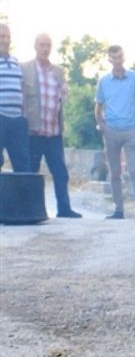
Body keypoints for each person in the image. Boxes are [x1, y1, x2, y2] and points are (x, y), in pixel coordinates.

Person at [21, 33, 80, 218]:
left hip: (54, 132)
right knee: (31, 173)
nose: (45, 48)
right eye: (42, 45)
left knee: (60, 173)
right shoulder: (25, 69)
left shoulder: (58, 72)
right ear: (35, 46)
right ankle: (29, 210)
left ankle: (64, 209)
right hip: (33, 132)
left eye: (48, 45)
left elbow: (63, 97)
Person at [95, 45, 135, 220]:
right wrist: (102, 126)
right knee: (114, 172)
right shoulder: (104, 81)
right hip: (111, 130)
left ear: (124, 57)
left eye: (120, 57)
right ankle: (119, 210)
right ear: (109, 60)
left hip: (131, 130)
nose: (117, 60)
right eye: (114, 58)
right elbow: (98, 107)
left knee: (134, 170)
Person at [0, 23, 32, 173]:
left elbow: (22, 87)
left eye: (8, 37)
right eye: (2, 36)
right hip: (1, 117)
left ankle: (21, 189)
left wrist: (24, 114)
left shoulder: (16, 62)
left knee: (22, 163)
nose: (5, 40)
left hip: (17, 120)